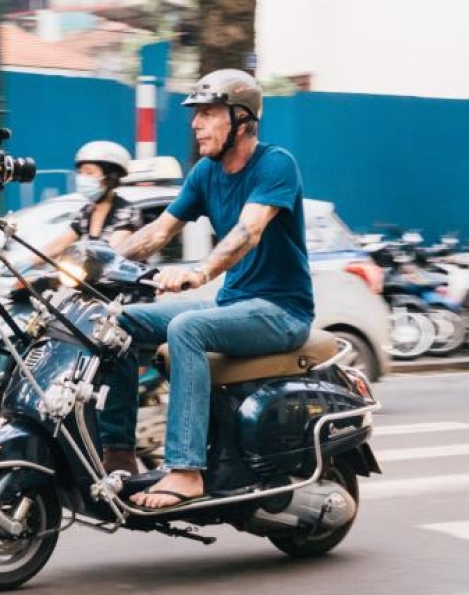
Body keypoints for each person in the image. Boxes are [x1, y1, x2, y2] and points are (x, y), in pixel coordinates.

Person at [96, 69, 315, 509]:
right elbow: (159, 232)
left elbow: (248, 231)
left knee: (187, 329)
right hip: (233, 305)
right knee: (116, 323)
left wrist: (200, 272)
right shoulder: (204, 173)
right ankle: (118, 454)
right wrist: (101, 260)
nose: (196, 124)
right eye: (195, 114)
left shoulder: (275, 165)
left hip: (281, 311)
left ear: (242, 120)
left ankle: (186, 471)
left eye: (209, 113)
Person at [14, 141, 142, 272]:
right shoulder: (86, 212)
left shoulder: (126, 212)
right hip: (87, 280)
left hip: (118, 281)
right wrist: (25, 263)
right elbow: (58, 245)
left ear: (110, 177)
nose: (82, 178)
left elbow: (114, 252)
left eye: (89, 173)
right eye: (80, 172)